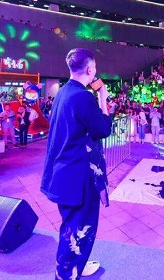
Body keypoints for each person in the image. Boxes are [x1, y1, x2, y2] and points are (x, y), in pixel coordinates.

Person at [41, 48, 112, 280]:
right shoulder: (83, 97)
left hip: (63, 172)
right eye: (95, 67)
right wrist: (103, 98)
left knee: (73, 223)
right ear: (90, 69)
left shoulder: (63, 92)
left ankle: (76, 265)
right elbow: (103, 129)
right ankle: (66, 273)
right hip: (78, 176)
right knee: (79, 227)